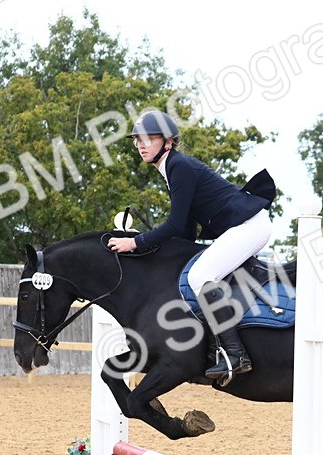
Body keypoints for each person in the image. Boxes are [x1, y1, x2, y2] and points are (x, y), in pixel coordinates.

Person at [106, 111, 273, 382]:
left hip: (250, 225)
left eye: (149, 138)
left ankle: (234, 354)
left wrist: (135, 242)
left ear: (168, 142)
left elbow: (174, 226)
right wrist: (145, 243)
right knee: (197, 272)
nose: (141, 145)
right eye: (137, 140)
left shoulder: (178, 166)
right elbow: (184, 230)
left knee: (199, 276)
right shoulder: (172, 169)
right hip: (245, 226)